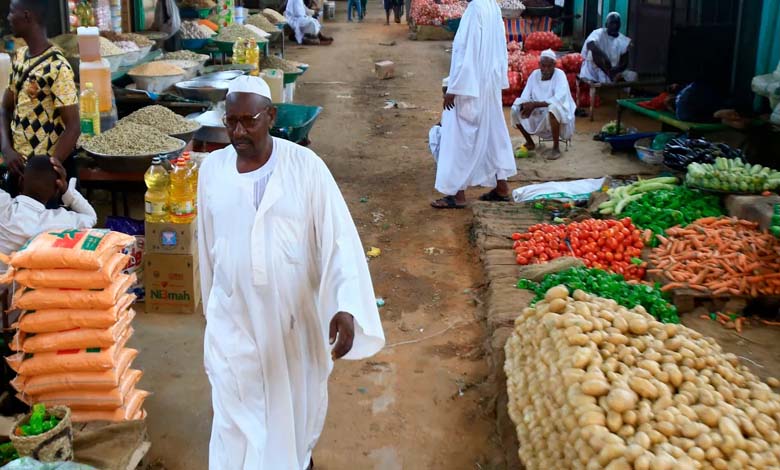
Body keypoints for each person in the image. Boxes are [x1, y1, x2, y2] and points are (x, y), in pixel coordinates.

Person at [197, 76, 385, 470]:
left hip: (293, 325)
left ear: (271, 116)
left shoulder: (306, 168)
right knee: (234, 422)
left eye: (249, 120)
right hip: (234, 321)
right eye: (231, 121)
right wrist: (213, 311)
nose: (238, 131)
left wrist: (344, 305)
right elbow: (208, 247)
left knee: (293, 419)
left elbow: (338, 240)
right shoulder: (212, 171)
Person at [431, 0, 516, 209]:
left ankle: (456, 195)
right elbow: (500, 50)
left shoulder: (475, 9)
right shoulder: (493, 7)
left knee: (457, 139)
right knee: (493, 136)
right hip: (488, 86)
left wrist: (453, 88)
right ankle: (502, 187)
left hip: (470, 87)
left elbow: (465, 53)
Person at [1, 0, 80, 198]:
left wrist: (49, 170)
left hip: (42, 182)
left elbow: (73, 126)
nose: (8, 18)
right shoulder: (20, 57)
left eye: (12, 12)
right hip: (18, 171)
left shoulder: (57, 66)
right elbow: (4, 109)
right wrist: (7, 150)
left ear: (27, 16)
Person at [0, 156, 97, 276]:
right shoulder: (58, 221)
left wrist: (6, 148)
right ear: (57, 191)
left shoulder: (3, 205)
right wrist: (66, 190)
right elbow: (91, 216)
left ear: (20, 181)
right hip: (30, 291)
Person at [510, 50, 576, 160]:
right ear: (539, 65)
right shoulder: (534, 74)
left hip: (557, 114)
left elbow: (559, 98)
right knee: (514, 108)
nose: (545, 69)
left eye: (549, 66)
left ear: (554, 65)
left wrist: (534, 104)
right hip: (537, 112)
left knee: (553, 108)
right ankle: (530, 142)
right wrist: (525, 105)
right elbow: (525, 95)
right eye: (543, 66)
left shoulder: (560, 75)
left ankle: (556, 148)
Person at [579, 12, 637, 84]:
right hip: (594, 70)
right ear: (606, 25)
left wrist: (615, 71)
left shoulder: (623, 41)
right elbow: (591, 45)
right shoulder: (598, 33)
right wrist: (605, 57)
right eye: (612, 23)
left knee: (632, 76)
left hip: (613, 71)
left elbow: (624, 63)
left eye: (617, 23)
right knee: (592, 53)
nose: (615, 26)